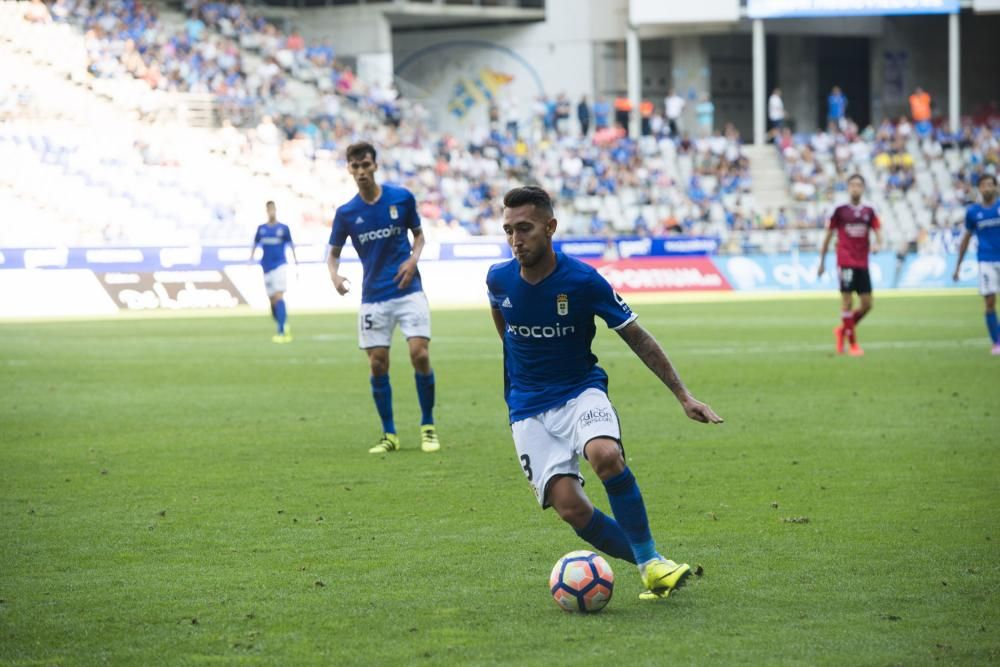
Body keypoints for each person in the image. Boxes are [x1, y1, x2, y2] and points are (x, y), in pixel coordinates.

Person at [486, 186, 723, 601]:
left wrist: (683, 395)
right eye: (508, 230)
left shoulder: (582, 280)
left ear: (550, 227)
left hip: (581, 391)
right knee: (572, 509)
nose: (515, 240)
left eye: (524, 228)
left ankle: (652, 564)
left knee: (605, 455)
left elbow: (636, 336)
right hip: (526, 407)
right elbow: (503, 322)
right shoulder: (498, 278)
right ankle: (650, 565)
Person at [327, 142, 440, 453]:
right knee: (378, 364)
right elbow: (333, 254)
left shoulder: (401, 198)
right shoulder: (347, 213)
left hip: (409, 290)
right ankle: (389, 434)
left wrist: (413, 259)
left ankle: (428, 426)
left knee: (420, 355)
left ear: (375, 165)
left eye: (366, 165)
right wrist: (334, 275)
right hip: (373, 297)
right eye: (355, 166)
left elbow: (419, 236)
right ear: (349, 169)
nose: (361, 171)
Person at [817, 174, 883, 356]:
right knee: (846, 302)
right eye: (852, 185)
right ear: (847, 188)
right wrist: (822, 262)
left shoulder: (870, 210)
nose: (855, 188)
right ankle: (852, 344)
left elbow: (878, 231)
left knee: (867, 304)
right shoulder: (839, 210)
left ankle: (843, 330)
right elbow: (828, 236)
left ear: (863, 188)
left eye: (859, 185)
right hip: (845, 260)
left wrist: (878, 244)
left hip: (862, 261)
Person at [952, 173, 1000, 355]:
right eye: (983, 185)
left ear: (995, 187)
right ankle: (996, 343)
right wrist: (957, 266)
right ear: (979, 188)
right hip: (986, 261)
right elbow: (966, 239)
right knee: (990, 302)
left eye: (990, 184)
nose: (987, 188)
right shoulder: (973, 212)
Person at [251, 201, 297, 343]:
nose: (271, 212)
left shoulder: (283, 228)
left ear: (276, 210)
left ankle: (281, 332)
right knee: (272, 302)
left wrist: (296, 262)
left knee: (279, 296)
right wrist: (250, 260)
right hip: (266, 267)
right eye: (269, 209)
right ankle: (283, 323)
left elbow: (291, 245)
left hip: (280, 265)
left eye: (273, 209)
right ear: (266, 211)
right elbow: (255, 244)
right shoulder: (261, 229)